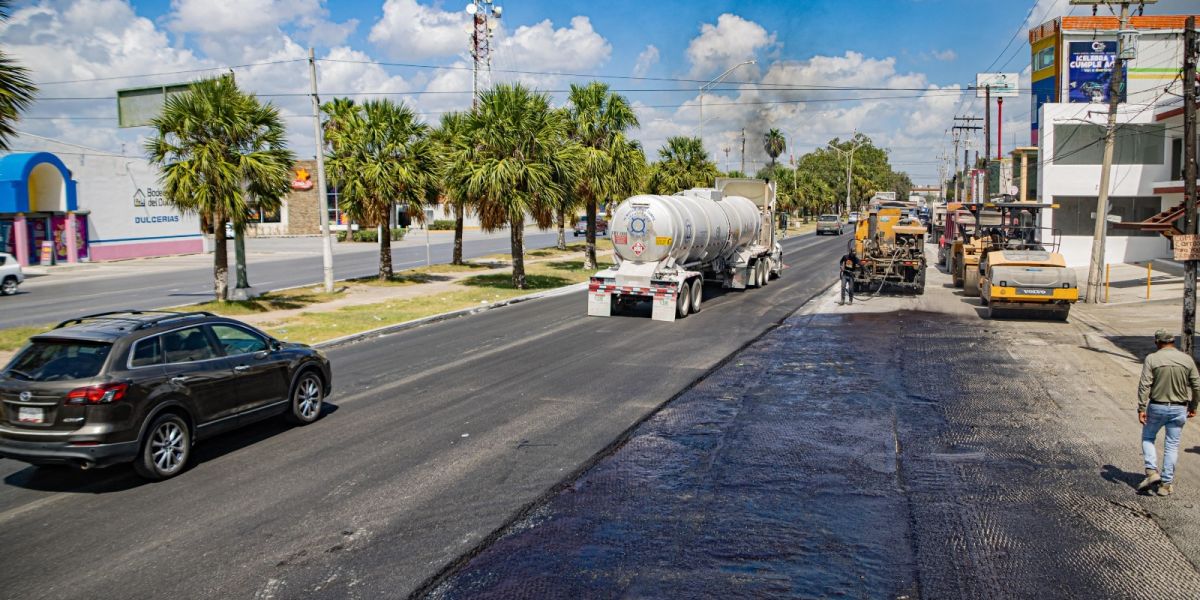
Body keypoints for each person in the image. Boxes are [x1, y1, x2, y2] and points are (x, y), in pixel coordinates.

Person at [1136, 329, 1200, 496]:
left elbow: (1144, 385)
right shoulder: (1187, 359)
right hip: (1179, 408)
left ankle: (1151, 472)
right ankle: (1166, 484)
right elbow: (1196, 385)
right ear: (1173, 342)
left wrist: (1141, 408)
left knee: (1148, 437)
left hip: (1157, 406)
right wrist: (1194, 406)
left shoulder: (1152, 358)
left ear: (1157, 342)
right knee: (1172, 445)